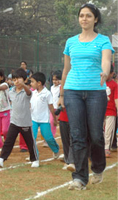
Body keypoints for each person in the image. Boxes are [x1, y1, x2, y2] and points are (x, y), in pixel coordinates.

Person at [59, 3, 115, 190]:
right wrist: (61, 94)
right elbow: (66, 70)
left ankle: (98, 168)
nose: (84, 19)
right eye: (81, 15)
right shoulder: (71, 42)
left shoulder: (103, 40)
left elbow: (106, 60)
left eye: (88, 16)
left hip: (95, 92)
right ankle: (80, 178)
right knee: (77, 135)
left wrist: (104, 73)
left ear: (95, 19)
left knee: (96, 135)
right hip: (72, 91)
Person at [0, 68, 39, 168]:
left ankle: (35, 159)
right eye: (14, 79)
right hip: (14, 122)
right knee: (8, 141)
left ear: (25, 80)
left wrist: (24, 86)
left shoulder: (27, 92)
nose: (16, 81)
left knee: (30, 143)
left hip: (25, 122)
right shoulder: (11, 92)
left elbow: (29, 92)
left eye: (18, 79)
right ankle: (1, 159)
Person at [30, 72, 60, 160]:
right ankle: (35, 156)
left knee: (48, 138)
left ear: (39, 83)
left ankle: (55, 150)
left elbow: (51, 107)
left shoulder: (47, 93)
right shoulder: (33, 93)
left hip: (44, 120)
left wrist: (54, 119)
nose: (31, 84)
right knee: (32, 138)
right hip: (33, 119)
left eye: (32, 82)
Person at [104, 64, 118, 157]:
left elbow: (116, 99)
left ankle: (106, 148)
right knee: (98, 131)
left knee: (109, 131)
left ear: (112, 73)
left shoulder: (115, 85)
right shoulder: (100, 83)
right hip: (99, 111)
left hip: (111, 112)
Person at [50, 70, 62, 137]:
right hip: (53, 108)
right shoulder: (51, 88)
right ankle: (51, 137)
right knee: (51, 122)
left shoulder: (61, 87)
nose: (55, 81)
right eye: (53, 79)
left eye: (57, 79)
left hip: (60, 109)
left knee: (62, 123)